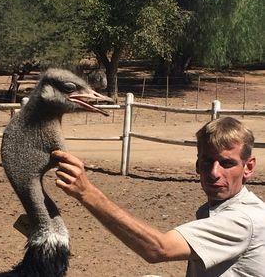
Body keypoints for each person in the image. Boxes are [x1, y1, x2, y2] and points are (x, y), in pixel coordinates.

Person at [53, 116, 265, 276]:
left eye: (227, 163)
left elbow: (158, 248)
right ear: (197, 164)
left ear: (248, 167)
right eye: (207, 162)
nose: (214, 172)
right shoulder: (218, 209)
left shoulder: (242, 220)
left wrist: (87, 192)